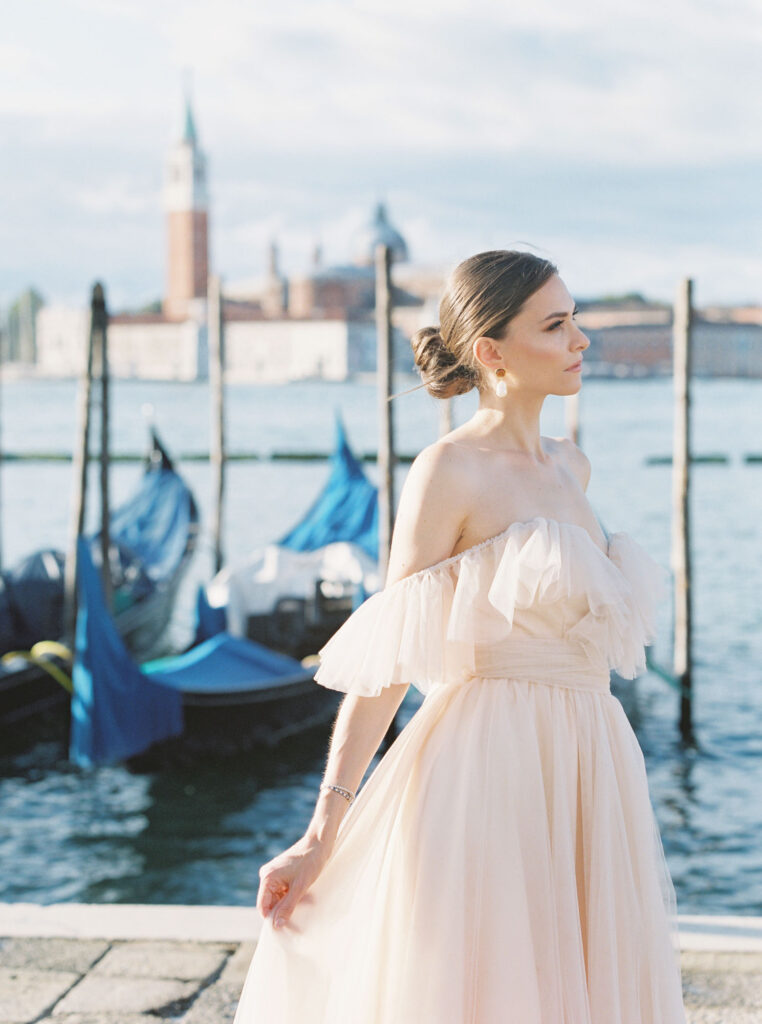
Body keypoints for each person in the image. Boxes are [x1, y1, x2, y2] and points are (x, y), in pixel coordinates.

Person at [233, 250, 687, 1022]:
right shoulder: (449, 470)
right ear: (491, 351)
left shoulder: (573, 467)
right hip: (486, 767)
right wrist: (321, 832)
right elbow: (388, 659)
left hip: (590, 762)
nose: (582, 339)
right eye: (556, 323)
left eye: (575, 317)